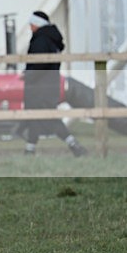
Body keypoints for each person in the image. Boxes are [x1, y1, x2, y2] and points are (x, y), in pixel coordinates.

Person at [20, 10, 87, 157]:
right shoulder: (51, 39)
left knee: (48, 118)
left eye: (32, 24)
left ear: (37, 24)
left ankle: (74, 145)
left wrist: (28, 76)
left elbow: (39, 64)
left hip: (40, 88)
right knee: (36, 118)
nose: (30, 27)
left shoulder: (41, 40)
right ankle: (30, 149)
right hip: (49, 84)